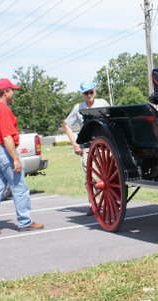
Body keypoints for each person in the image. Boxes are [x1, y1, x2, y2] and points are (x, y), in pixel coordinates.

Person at [0, 78, 44, 232]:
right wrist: (15, 159)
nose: (14, 93)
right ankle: (25, 222)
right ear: (6, 92)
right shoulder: (3, 109)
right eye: (12, 90)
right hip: (4, 151)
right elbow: (6, 137)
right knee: (19, 187)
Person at [62, 82, 109, 216]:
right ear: (82, 94)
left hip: (105, 145)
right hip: (88, 146)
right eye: (86, 93)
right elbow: (66, 125)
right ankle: (94, 204)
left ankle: (109, 202)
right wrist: (75, 143)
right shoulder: (78, 107)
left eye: (91, 92)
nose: (89, 95)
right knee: (91, 176)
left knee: (108, 175)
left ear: (94, 91)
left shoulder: (103, 103)